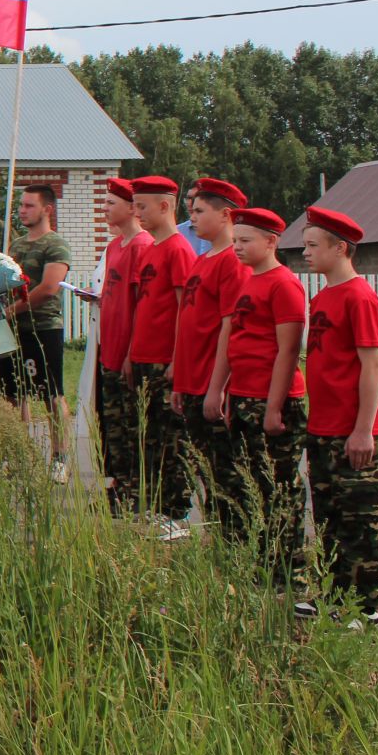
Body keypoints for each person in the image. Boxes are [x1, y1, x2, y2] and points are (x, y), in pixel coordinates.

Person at [297, 205, 378, 625]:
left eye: (314, 245)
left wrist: (363, 430)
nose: (306, 252)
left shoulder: (359, 296)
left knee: (360, 525)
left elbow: (373, 365)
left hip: (353, 429)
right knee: (330, 519)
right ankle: (335, 596)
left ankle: (366, 609)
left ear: (341, 248)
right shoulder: (323, 296)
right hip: (323, 427)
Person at [205, 207, 307, 575]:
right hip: (244, 398)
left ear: (271, 241)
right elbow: (234, 341)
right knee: (252, 486)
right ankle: (261, 563)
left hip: (273, 399)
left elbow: (288, 350)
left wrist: (274, 407)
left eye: (245, 241)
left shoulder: (284, 283)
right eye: (235, 241)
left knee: (279, 488)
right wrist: (223, 391)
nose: (237, 248)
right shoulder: (249, 280)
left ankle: (288, 570)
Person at [171, 178, 247, 513]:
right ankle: (218, 542)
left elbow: (230, 328)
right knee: (206, 474)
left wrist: (217, 387)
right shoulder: (203, 259)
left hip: (209, 383)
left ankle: (232, 546)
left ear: (226, 215)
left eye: (200, 210)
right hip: (192, 382)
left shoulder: (232, 261)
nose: (193, 217)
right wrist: (180, 382)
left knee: (225, 477)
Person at [127, 175, 195, 540]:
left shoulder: (178, 250)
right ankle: (156, 508)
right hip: (143, 356)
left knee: (171, 438)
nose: (138, 213)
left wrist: (176, 360)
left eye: (142, 206)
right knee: (150, 435)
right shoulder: (152, 248)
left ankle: (177, 512)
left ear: (165, 206)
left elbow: (185, 309)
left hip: (164, 360)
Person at [83, 178, 151, 515]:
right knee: (112, 426)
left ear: (131, 207)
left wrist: (130, 353)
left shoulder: (141, 245)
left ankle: (134, 494)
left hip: (126, 351)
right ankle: (117, 488)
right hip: (106, 347)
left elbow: (141, 303)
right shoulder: (114, 246)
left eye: (111, 203)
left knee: (130, 425)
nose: (105, 209)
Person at [4, 184, 75, 483]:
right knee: (13, 394)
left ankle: (59, 457)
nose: (22, 210)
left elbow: (48, 288)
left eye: (29, 205)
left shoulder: (55, 245)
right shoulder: (16, 245)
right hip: (13, 331)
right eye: (21, 205)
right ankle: (17, 454)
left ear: (47, 209)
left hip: (43, 328)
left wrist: (12, 310)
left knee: (51, 395)